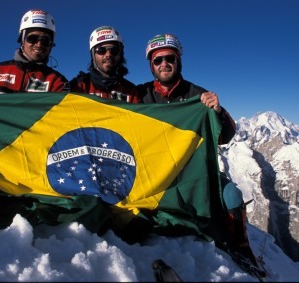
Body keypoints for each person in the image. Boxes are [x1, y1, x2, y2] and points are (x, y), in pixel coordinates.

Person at [137, 34, 261, 268]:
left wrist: (218, 111)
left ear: (178, 60)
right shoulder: (140, 96)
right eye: (157, 60)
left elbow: (225, 136)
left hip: (193, 171)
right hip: (155, 172)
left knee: (232, 194)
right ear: (151, 65)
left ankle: (240, 245)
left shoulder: (198, 95)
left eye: (169, 58)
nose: (164, 64)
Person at [0, 9, 68, 95]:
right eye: (32, 38)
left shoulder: (57, 81)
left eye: (45, 41)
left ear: (51, 44)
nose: (39, 44)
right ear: (22, 40)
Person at [69, 26, 140, 103]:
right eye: (101, 50)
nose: (108, 55)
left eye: (114, 50)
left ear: (120, 54)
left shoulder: (132, 92)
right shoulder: (77, 87)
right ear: (93, 55)